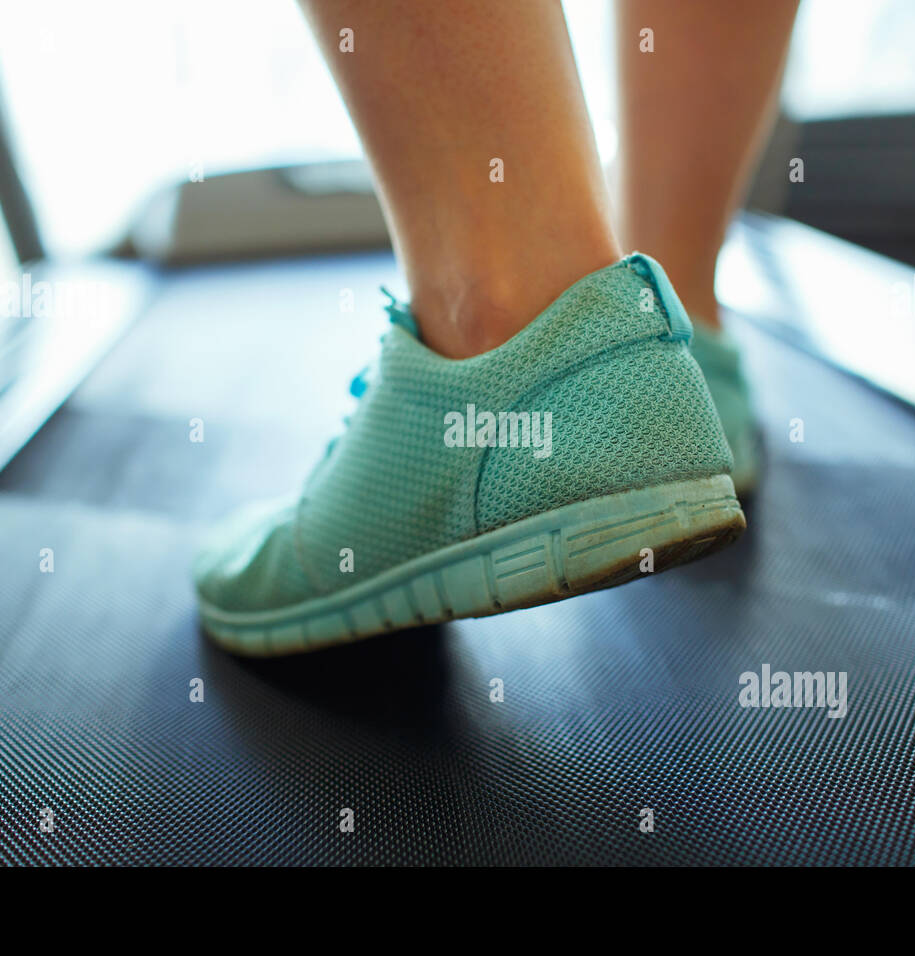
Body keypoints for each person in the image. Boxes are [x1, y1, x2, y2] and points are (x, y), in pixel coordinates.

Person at [194, 0, 799, 655]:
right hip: (669, 371)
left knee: (501, 289)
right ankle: (677, 339)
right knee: (671, 279)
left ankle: (496, 316)